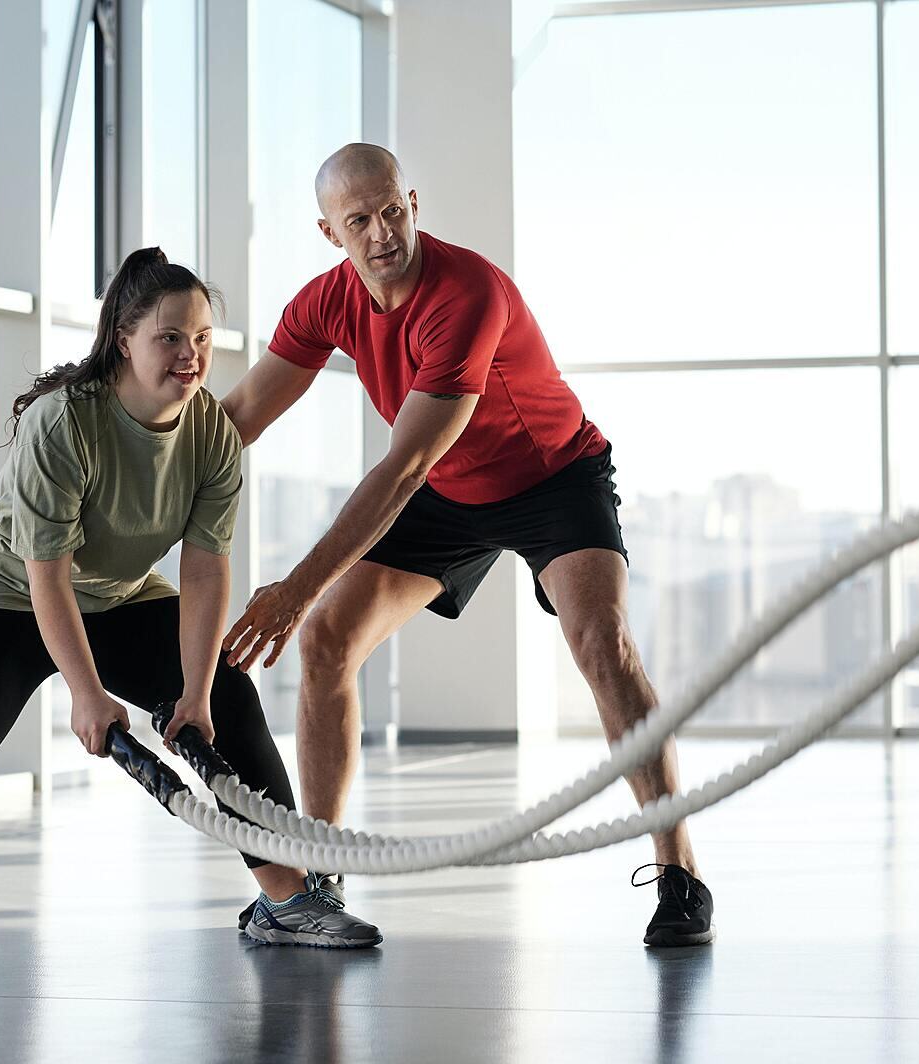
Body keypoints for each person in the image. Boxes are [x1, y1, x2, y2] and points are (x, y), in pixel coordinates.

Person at [219, 144, 713, 948]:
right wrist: (129, 470)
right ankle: (316, 884)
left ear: (412, 202)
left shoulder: (467, 293)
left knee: (603, 644)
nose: (382, 232)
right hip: (450, 491)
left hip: (551, 477)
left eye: (391, 210)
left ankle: (680, 873)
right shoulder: (323, 303)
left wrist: (295, 584)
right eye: (358, 221)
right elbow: (236, 418)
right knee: (328, 641)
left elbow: (405, 464)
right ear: (328, 233)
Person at [0, 249, 380, 987]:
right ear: (123, 339)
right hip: (5, 586)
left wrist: (195, 691)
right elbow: (47, 575)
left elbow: (204, 569)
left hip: (119, 591)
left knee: (230, 699)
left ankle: (287, 904)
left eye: (201, 337)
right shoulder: (64, 422)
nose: (190, 354)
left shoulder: (211, 436)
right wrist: (86, 692)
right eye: (170, 337)